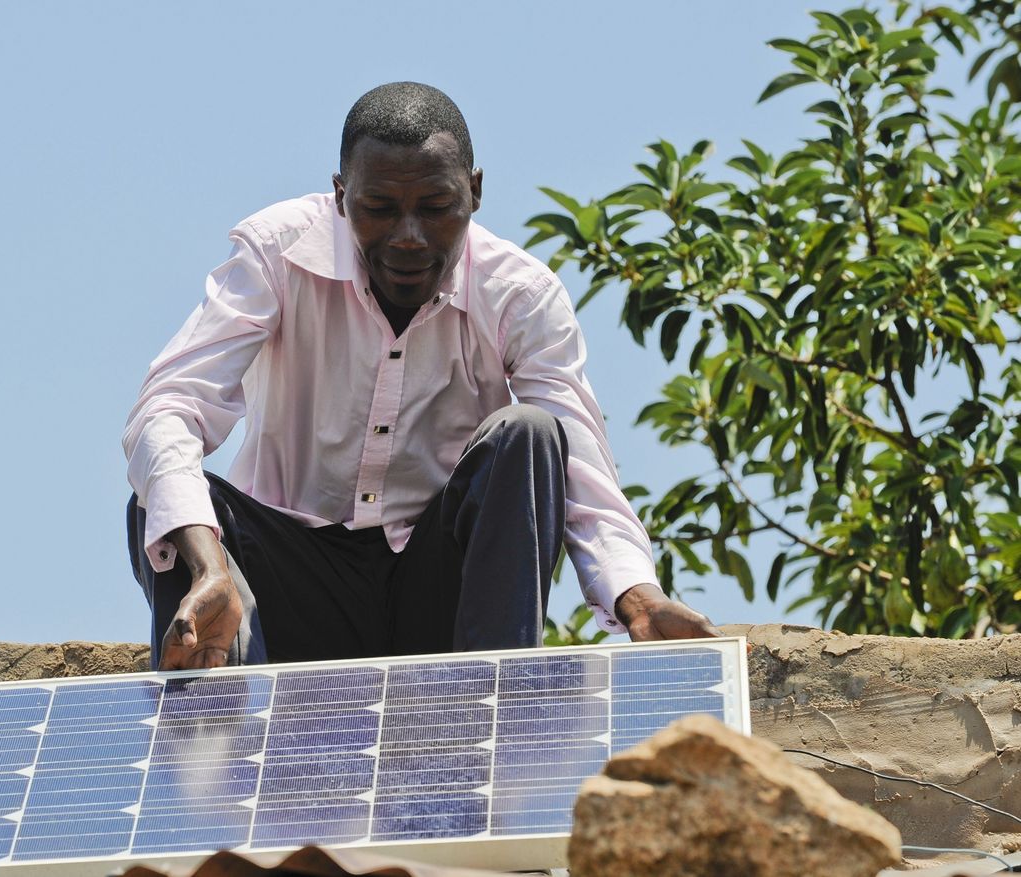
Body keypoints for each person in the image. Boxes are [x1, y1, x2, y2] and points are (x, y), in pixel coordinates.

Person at [124, 82, 718, 671]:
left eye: (435, 208)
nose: (408, 237)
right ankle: (217, 740)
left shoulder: (519, 294)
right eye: (379, 209)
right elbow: (171, 405)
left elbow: (581, 469)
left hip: (439, 600)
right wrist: (208, 564)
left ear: (474, 192)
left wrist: (636, 595)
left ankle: (489, 705)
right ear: (339, 195)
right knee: (166, 509)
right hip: (290, 596)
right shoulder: (277, 253)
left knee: (529, 435)